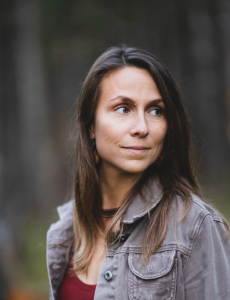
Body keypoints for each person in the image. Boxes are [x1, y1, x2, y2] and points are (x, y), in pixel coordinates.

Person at [46, 45, 230, 300]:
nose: (142, 127)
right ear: (90, 125)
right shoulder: (65, 231)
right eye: (123, 108)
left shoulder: (194, 227)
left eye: (156, 111)